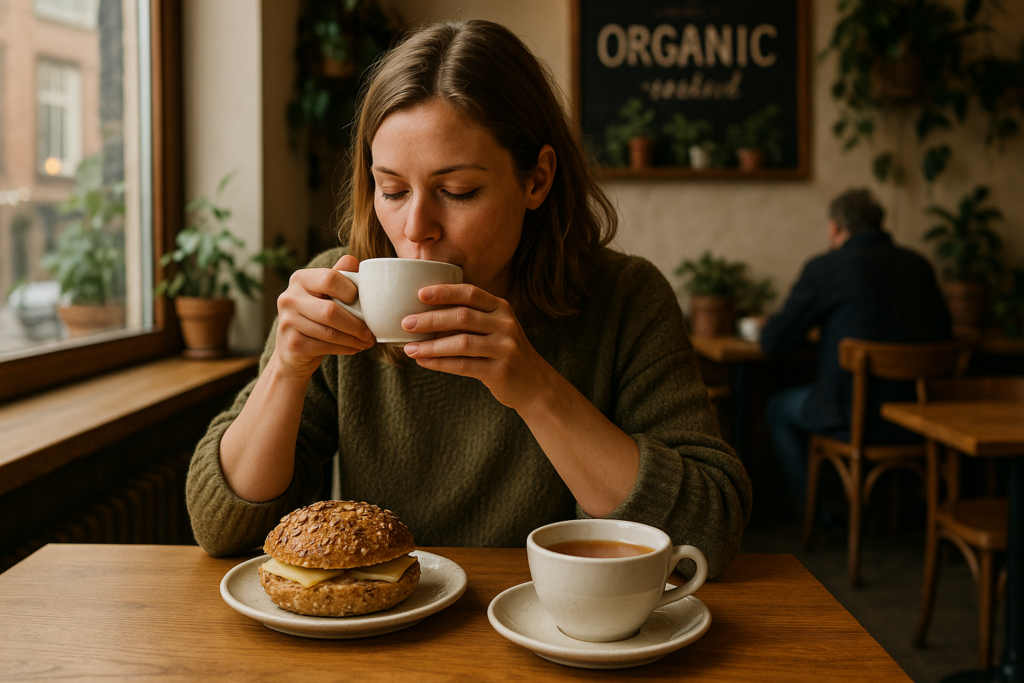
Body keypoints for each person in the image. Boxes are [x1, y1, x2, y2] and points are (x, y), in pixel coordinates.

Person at [185, 20, 751, 578]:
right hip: (387, 636)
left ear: (537, 180)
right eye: (392, 189)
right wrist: (286, 370)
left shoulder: (626, 298)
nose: (416, 227)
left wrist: (533, 388)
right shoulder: (337, 291)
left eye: (458, 191)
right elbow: (222, 529)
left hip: (556, 634)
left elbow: (709, 529)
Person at [761, 188, 952, 505]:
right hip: (918, 416)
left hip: (848, 417)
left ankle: (817, 514)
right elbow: (945, 333)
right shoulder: (920, 265)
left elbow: (774, 343)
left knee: (777, 408)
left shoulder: (827, 267)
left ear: (835, 228)